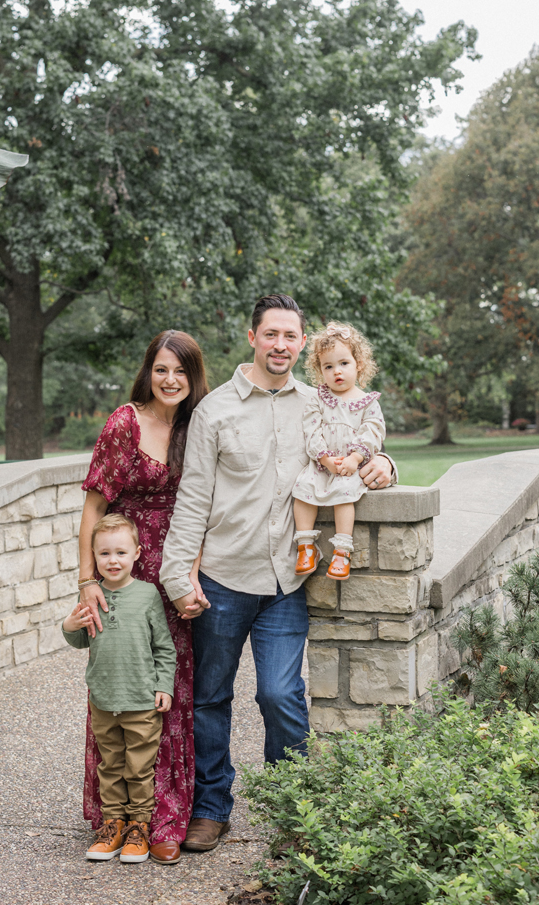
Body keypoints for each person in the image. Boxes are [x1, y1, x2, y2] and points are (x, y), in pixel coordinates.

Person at [159, 294, 396, 852]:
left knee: (279, 695)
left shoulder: (318, 403)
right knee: (212, 698)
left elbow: (358, 435)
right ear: (252, 337)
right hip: (221, 578)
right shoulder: (214, 411)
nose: (282, 346)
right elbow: (192, 500)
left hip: (287, 581)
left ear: (302, 342)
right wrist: (178, 576)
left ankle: (294, 809)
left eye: (292, 336)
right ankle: (212, 809)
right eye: (272, 335)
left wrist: (382, 463)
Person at [75, 330, 209, 865]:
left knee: (170, 691)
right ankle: (117, 816)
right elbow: (92, 506)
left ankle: (165, 817)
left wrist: (190, 576)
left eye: (180, 371)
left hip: (178, 572)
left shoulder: (200, 426)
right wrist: (87, 578)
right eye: (161, 369)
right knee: (121, 690)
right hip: (124, 572)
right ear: (147, 372)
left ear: (194, 376)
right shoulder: (123, 424)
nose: (170, 380)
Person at [63, 514, 177, 864]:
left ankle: (138, 828)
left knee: (139, 768)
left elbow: (164, 647)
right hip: (103, 698)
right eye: (104, 554)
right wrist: (69, 624)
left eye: (120, 553)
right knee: (110, 765)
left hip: (141, 699)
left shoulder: (146, 595)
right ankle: (112, 825)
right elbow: (80, 638)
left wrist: (164, 686)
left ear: (137, 554)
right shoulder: (91, 595)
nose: (113, 561)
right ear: (94, 557)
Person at [291, 322, 386, 581]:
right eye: (328, 366)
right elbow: (312, 429)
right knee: (303, 489)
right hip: (323, 462)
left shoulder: (368, 403)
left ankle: (342, 551)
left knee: (344, 496)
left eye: (344, 363)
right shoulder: (318, 399)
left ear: (359, 364)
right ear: (319, 370)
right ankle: (306, 546)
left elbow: (373, 432)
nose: (337, 372)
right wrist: (323, 457)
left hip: (349, 465)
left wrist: (355, 458)